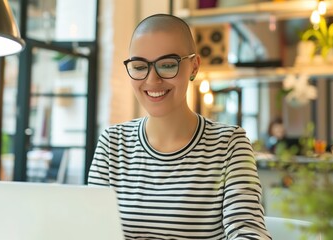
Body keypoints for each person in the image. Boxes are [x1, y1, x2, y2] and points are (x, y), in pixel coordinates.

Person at [88, 14, 272, 240]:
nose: (152, 79)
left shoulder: (230, 144)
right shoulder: (112, 142)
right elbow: (93, 230)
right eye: (139, 66)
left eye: (167, 65)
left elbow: (249, 232)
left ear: (194, 67)